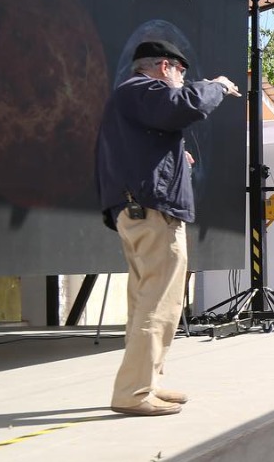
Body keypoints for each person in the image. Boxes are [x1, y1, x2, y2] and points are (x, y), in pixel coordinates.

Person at [94, 39, 239, 416]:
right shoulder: (143, 89)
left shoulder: (130, 99)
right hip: (152, 212)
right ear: (164, 66)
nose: (181, 80)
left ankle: (148, 383)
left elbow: (143, 144)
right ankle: (134, 391)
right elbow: (183, 106)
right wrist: (218, 85)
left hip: (138, 210)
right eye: (180, 73)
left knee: (150, 302)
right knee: (159, 302)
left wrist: (176, 156)